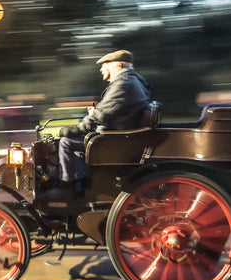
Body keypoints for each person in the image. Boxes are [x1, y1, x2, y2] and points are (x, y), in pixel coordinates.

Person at [44, 50, 152, 200]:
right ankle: (81, 182)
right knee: (79, 141)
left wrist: (72, 130)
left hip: (114, 141)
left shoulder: (123, 84)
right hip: (119, 136)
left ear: (118, 65)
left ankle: (68, 187)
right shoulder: (134, 81)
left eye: (105, 65)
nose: (102, 69)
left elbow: (100, 116)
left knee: (66, 143)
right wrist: (96, 113)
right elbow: (112, 110)